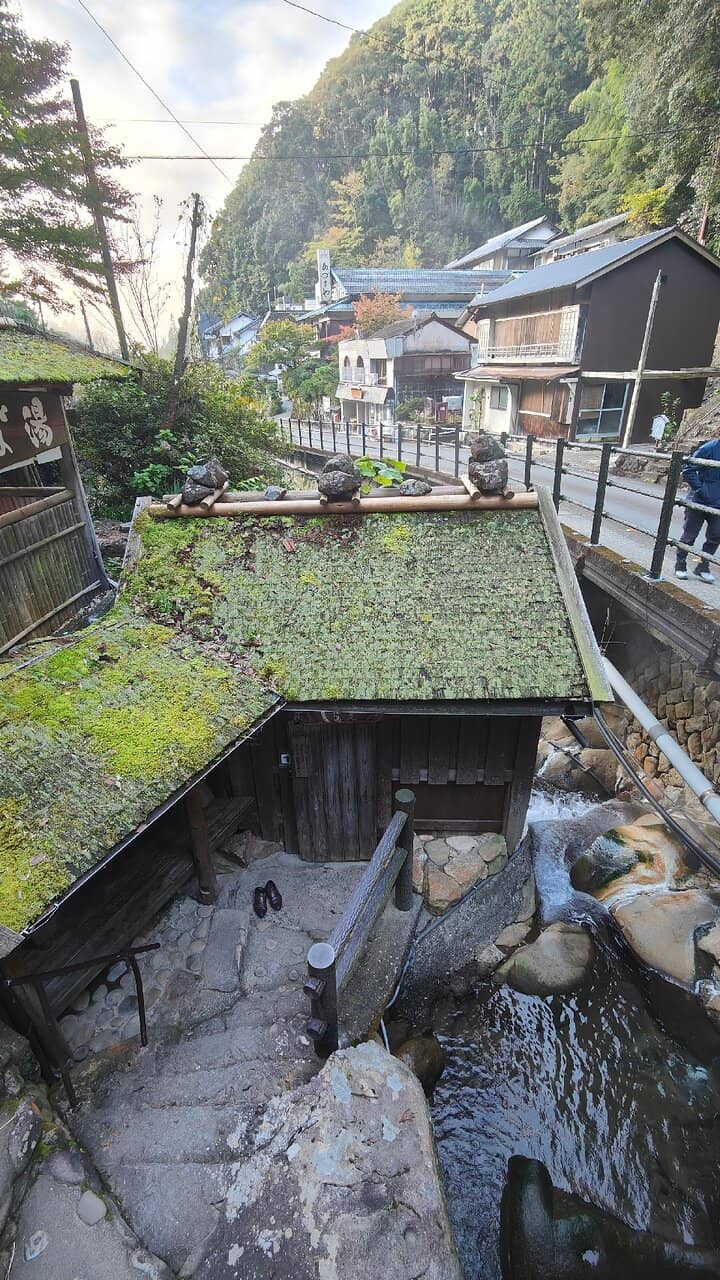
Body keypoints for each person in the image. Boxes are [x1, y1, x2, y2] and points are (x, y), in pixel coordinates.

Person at [675, 430, 720, 583]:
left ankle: (703, 566)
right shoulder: (709, 447)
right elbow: (688, 468)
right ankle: (680, 564)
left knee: (716, 536)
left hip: (719, 504)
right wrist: (701, 489)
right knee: (690, 534)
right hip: (699, 500)